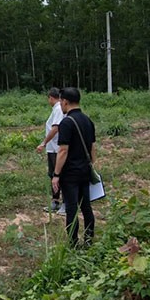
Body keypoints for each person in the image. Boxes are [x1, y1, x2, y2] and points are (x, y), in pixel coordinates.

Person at [50, 87, 95, 247]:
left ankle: (73, 244)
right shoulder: (88, 121)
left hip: (70, 174)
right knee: (86, 207)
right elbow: (92, 149)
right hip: (85, 170)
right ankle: (89, 241)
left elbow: (63, 151)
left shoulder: (67, 123)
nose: (60, 105)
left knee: (71, 209)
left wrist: (56, 174)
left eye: (61, 101)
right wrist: (90, 165)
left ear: (65, 101)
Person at [36, 87, 65, 215]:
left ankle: (64, 203)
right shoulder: (57, 109)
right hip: (53, 148)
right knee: (53, 174)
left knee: (59, 175)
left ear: (51, 98)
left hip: (56, 148)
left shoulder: (58, 109)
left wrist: (43, 143)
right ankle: (55, 201)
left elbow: (55, 128)